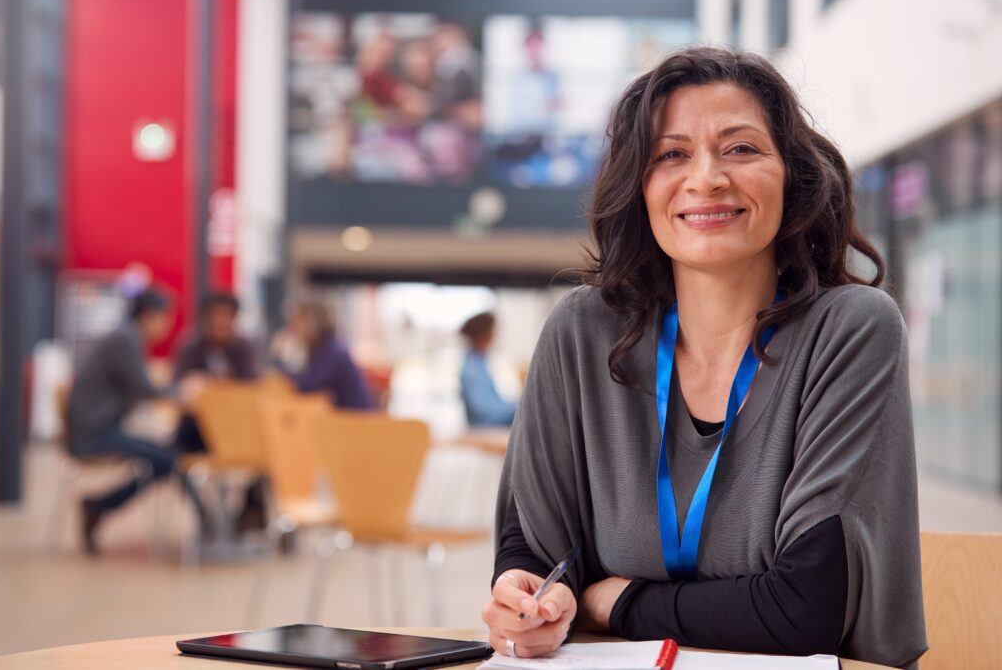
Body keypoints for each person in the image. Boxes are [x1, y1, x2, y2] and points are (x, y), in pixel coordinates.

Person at [483, 47, 927, 669]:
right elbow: (536, 550)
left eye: (741, 148)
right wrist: (526, 598)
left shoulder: (850, 330)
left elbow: (805, 610)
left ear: (792, 176)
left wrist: (617, 602)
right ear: (640, 188)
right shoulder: (581, 332)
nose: (707, 178)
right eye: (671, 155)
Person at [66, 288, 207, 555]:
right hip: (95, 433)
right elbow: (143, 389)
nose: (167, 325)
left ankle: (100, 506)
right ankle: (206, 521)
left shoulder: (126, 337)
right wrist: (182, 392)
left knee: (168, 456)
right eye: (165, 318)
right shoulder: (124, 339)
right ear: (149, 316)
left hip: (102, 427)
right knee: (171, 459)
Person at [172, 291, 260, 455]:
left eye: (228, 316)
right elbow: (179, 386)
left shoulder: (245, 348)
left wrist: (214, 384)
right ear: (206, 318)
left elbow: (251, 387)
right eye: (217, 315)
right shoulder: (190, 347)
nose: (222, 322)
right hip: (196, 424)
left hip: (234, 425)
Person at [272, 298, 374, 410]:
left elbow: (309, 385)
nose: (293, 330)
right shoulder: (325, 348)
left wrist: (280, 358)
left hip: (358, 419)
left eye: (297, 324)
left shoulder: (334, 352)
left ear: (311, 324)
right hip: (347, 417)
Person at [459, 312, 516, 427]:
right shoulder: (471, 369)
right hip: (486, 428)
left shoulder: (480, 363)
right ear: (483, 335)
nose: (495, 335)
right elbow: (485, 411)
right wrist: (517, 409)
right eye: (492, 331)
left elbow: (495, 402)